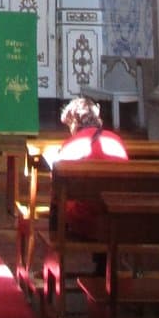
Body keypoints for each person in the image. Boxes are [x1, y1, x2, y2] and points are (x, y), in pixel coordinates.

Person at [53, 97, 128, 242]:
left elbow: (57, 185)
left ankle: (57, 245)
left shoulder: (73, 144)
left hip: (86, 219)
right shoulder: (116, 139)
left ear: (74, 123)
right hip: (117, 215)